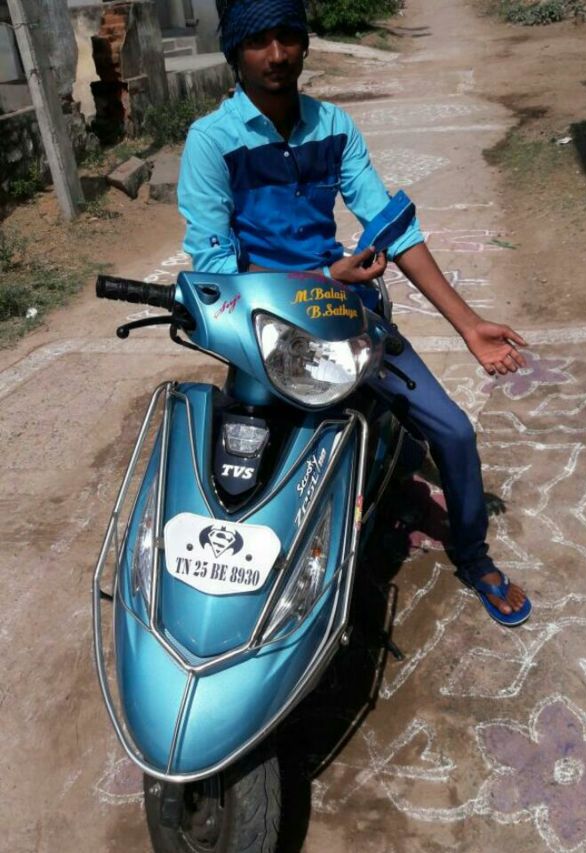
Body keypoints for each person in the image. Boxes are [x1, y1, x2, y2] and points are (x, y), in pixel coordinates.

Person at [177, 0, 531, 626]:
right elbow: (215, 265)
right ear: (235, 52)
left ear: (305, 44)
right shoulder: (211, 141)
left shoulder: (333, 125)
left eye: (288, 37)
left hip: (340, 311)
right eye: (259, 41)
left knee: (454, 431)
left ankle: (473, 556)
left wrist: (469, 325)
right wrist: (323, 274)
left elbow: (391, 224)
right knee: (241, 470)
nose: (277, 55)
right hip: (259, 323)